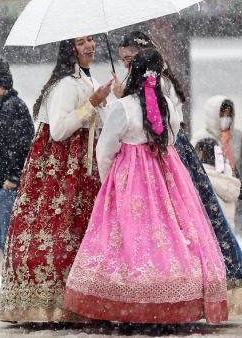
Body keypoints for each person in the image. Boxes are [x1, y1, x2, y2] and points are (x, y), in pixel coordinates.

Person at [64, 47, 228, 324]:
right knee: (172, 230)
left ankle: (133, 300)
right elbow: (172, 137)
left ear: (132, 72)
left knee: (132, 236)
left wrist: (110, 183)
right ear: (159, 74)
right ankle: (173, 296)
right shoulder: (166, 104)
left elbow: (105, 150)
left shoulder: (123, 107)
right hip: (166, 172)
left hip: (130, 177)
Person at [115, 31, 242, 290]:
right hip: (164, 147)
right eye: (123, 60)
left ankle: (209, 275)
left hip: (167, 149)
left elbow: (155, 122)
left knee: (189, 212)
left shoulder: (158, 83)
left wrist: (124, 101)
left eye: (130, 59)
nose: (126, 65)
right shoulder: (148, 80)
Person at [0, 35, 112, 322]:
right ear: (69, 49)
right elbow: (60, 131)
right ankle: (52, 304)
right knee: (60, 232)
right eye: (81, 42)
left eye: (91, 40)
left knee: (81, 232)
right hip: (62, 171)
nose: (89, 47)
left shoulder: (89, 80)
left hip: (86, 169)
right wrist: (91, 104)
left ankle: (83, 300)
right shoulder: (64, 85)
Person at [0, 57, 35, 254]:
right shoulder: (4, 108)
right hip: (2, 185)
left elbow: (22, 145)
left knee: (8, 239)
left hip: (10, 186)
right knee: (1, 235)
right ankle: (13, 280)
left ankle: (16, 281)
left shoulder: (12, 108)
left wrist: (14, 177)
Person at [195, 138, 241, 227]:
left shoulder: (200, 176)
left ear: (201, 153)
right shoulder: (229, 174)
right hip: (228, 229)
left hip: (209, 228)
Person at [193, 96, 242, 177]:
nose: (226, 118)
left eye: (229, 115)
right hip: (212, 182)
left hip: (235, 184)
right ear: (213, 115)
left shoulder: (237, 136)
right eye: (222, 115)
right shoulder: (200, 137)